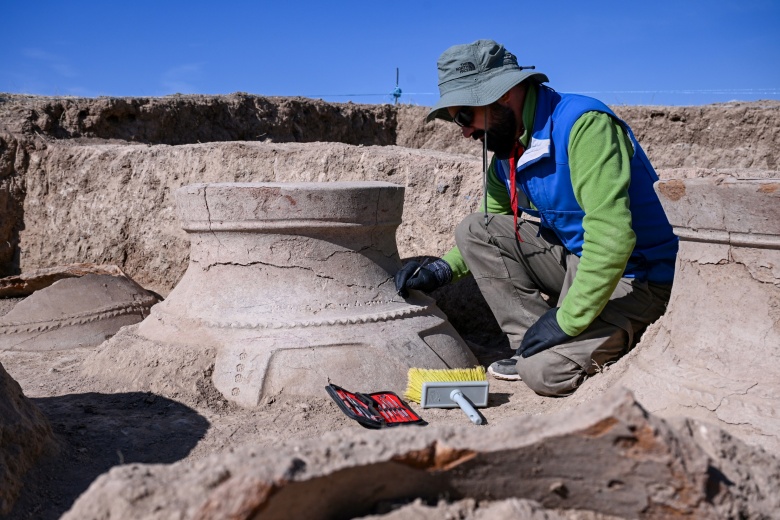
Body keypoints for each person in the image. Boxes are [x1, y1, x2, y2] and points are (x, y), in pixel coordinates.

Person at [395, 39, 678, 397]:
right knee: (475, 229)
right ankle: (532, 341)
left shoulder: (584, 126)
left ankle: (571, 342)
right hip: (582, 263)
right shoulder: (508, 152)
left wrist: (566, 319)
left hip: (639, 277)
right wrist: (443, 269)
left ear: (503, 94)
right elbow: (489, 222)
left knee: (544, 374)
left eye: (464, 116)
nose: (465, 131)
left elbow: (612, 238)